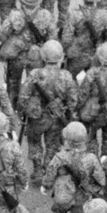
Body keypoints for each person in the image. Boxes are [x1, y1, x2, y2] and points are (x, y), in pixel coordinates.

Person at [18, 39, 77, 186]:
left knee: (34, 143)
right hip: (56, 117)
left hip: (36, 117)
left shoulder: (35, 74)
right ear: (61, 57)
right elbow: (73, 100)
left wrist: (22, 113)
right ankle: (48, 171)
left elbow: (23, 97)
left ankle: (37, 169)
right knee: (53, 145)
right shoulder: (66, 75)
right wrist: (68, 114)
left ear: (43, 56)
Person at [42, 120, 104, 213]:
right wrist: (93, 188)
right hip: (82, 195)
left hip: (62, 194)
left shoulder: (60, 157)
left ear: (67, 139)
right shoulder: (91, 158)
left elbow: (49, 175)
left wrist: (46, 186)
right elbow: (101, 179)